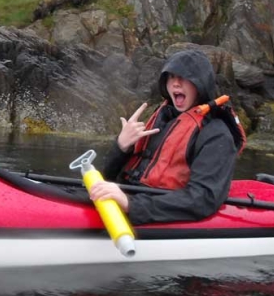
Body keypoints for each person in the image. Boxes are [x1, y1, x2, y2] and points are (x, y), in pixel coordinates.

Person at [88, 50, 244, 225]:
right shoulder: (164, 120)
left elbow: (203, 199)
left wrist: (131, 205)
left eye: (184, 77)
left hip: (155, 208)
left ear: (200, 85)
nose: (176, 83)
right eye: (171, 77)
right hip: (135, 196)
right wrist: (121, 147)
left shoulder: (217, 134)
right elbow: (109, 176)